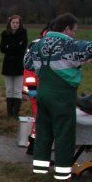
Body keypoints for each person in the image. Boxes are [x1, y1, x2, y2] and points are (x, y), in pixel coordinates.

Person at [23, 13, 92, 180]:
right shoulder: (68, 45)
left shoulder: (37, 44)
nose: (74, 34)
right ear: (67, 29)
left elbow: (27, 63)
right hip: (62, 94)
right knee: (64, 133)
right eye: (74, 31)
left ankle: (39, 169)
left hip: (42, 92)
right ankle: (62, 173)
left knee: (43, 131)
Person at [21, 23, 51, 155]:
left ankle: (35, 145)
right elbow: (29, 68)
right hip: (37, 88)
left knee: (42, 118)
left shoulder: (55, 44)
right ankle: (36, 147)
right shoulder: (36, 45)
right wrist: (32, 88)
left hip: (47, 88)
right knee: (40, 117)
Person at [0, 15, 28, 117]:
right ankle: (9, 113)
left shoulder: (23, 33)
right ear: (10, 23)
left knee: (17, 90)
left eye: (17, 23)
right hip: (8, 65)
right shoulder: (5, 34)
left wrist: (9, 47)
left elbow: (22, 47)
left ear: (20, 24)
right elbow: (2, 48)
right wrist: (15, 46)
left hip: (18, 65)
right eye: (13, 23)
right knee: (9, 90)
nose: (15, 24)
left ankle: (15, 114)